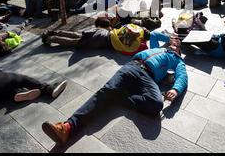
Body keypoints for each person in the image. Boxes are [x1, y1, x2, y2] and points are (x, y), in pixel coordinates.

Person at [41, 44, 188, 146]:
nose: (172, 45)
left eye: (175, 46)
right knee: (106, 91)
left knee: (156, 104)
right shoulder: (159, 48)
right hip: (132, 66)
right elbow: (155, 35)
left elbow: (183, 77)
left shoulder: (177, 60)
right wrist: (171, 37)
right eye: (171, 44)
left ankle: (121, 98)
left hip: (147, 77)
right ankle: (67, 128)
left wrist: (176, 89)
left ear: (178, 51)